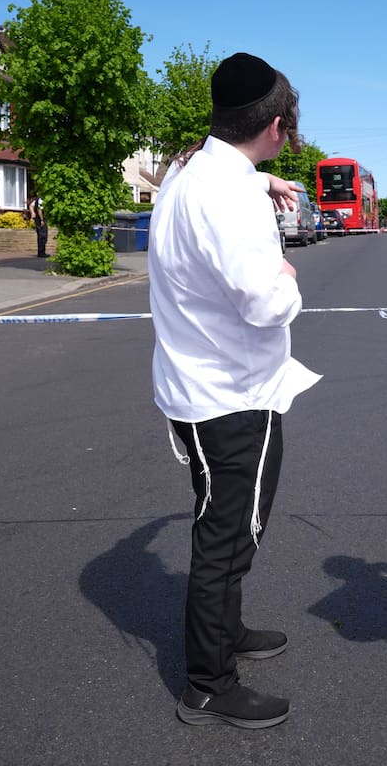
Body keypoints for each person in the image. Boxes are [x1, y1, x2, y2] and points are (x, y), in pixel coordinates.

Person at [148, 52, 321, 731]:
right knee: (227, 536)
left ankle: (228, 630)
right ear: (275, 126)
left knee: (223, 523)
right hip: (233, 398)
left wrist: (263, 179)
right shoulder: (230, 196)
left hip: (197, 389)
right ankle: (208, 684)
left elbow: (221, 177)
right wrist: (287, 274)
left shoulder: (190, 172)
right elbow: (265, 304)